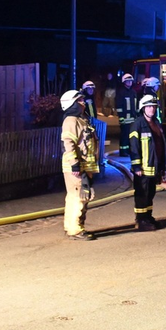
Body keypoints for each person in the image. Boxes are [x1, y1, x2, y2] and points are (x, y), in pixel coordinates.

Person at [60, 90, 100, 240]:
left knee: (79, 196)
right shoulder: (71, 121)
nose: (83, 102)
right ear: (72, 104)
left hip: (83, 165)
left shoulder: (81, 119)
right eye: (80, 100)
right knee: (78, 197)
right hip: (77, 166)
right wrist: (75, 165)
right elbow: (68, 144)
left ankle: (72, 226)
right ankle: (75, 230)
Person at [129, 95, 166, 231]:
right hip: (143, 169)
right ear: (143, 108)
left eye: (154, 106)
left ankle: (148, 216)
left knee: (150, 193)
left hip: (154, 167)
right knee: (141, 194)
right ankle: (141, 220)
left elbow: (160, 145)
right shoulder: (138, 124)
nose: (152, 109)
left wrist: (162, 167)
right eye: (149, 106)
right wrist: (136, 166)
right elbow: (134, 146)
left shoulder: (156, 123)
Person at [116, 73, 138, 156]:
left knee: (131, 136)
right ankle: (123, 151)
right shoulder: (121, 92)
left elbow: (135, 105)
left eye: (130, 81)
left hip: (132, 118)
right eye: (127, 81)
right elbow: (118, 106)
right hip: (125, 118)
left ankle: (128, 150)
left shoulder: (133, 92)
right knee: (124, 136)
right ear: (124, 82)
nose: (129, 83)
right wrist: (121, 117)